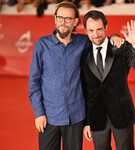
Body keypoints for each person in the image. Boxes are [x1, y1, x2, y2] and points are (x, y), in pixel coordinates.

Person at [28, 2, 123, 150]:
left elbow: (99, 38)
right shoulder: (42, 45)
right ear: (54, 19)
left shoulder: (83, 42)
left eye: (67, 18)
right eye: (60, 18)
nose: (63, 22)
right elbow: (34, 83)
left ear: (75, 22)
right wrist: (38, 113)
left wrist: (115, 36)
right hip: (49, 116)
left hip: (75, 117)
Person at [81, 10, 135, 150]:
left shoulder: (120, 47)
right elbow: (86, 91)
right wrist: (87, 122)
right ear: (86, 30)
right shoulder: (84, 55)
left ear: (106, 27)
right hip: (97, 119)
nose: (95, 34)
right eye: (91, 30)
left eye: (99, 29)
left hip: (121, 115)